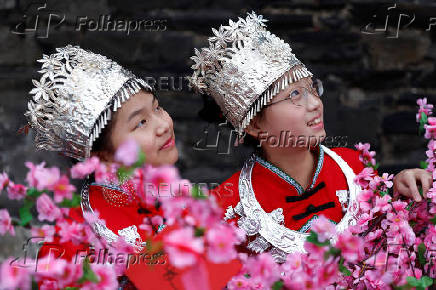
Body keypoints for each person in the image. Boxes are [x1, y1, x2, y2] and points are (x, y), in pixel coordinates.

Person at [188, 12, 432, 262]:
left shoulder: (355, 166)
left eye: (312, 88)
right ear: (253, 125)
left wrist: (402, 189)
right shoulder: (227, 207)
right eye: (294, 95)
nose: (315, 103)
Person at [24, 45, 178, 288]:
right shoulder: (69, 247)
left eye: (157, 107)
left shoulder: (168, 199)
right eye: (141, 123)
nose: (163, 125)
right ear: (101, 154)